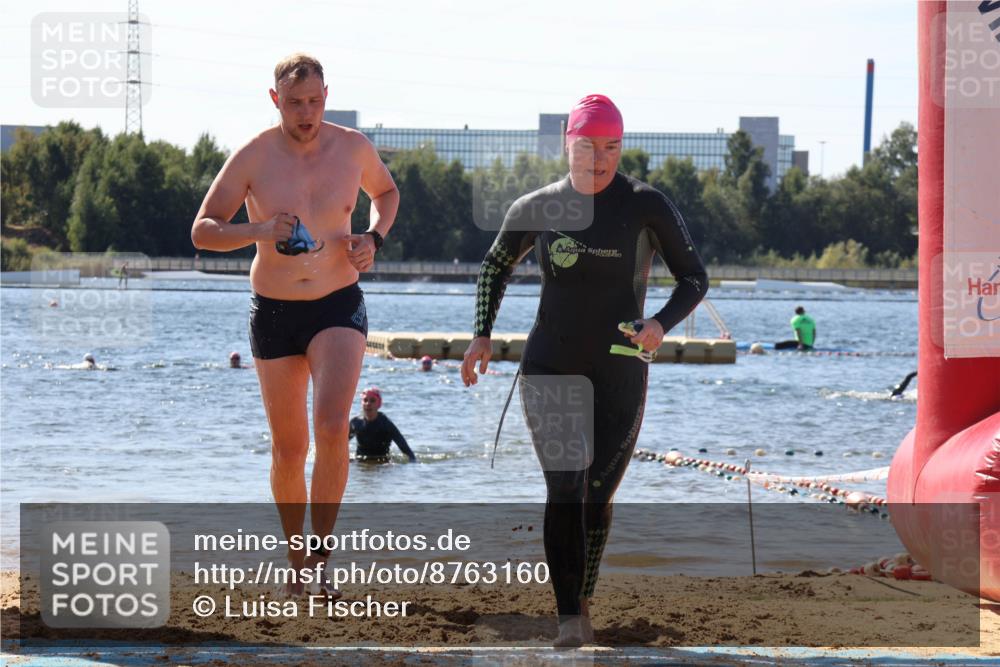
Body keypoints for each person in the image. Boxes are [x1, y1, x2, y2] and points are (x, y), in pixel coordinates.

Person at [461, 94, 708, 647]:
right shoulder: (539, 205)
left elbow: (694, 278)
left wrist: (661, 324)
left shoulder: (646, 205)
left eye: (612, 148)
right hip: (551, 363)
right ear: (568, 144)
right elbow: (494, 267)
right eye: (588, 147)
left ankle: (583, 593)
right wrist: (482, 333)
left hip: (621, 367)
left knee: (597, 492)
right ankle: (569, 614)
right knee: (566, 484)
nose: (600, 159)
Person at [190, 53, 399, 596]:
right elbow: (203, 231)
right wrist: (259, 228)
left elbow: (387, 194)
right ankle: (296, 559)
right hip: (275, 311)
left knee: (332, 427)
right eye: (293, 102)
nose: (305, 112)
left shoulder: (353, 147)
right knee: (289, 448)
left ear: (326, 96)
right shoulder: (254, 155)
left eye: (313, 101)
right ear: (275, 99)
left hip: (337, 303)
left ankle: (323, 560)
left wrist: (372, 239)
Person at [348, 387, 416, 463]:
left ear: (379, 404)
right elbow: (341, 443)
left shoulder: (386, 424)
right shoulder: (356, 422)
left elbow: (405, 448)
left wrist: (413, 464)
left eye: (372, 401)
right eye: (365, 400)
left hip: (382, 462)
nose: (368, 404)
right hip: (361, 460)